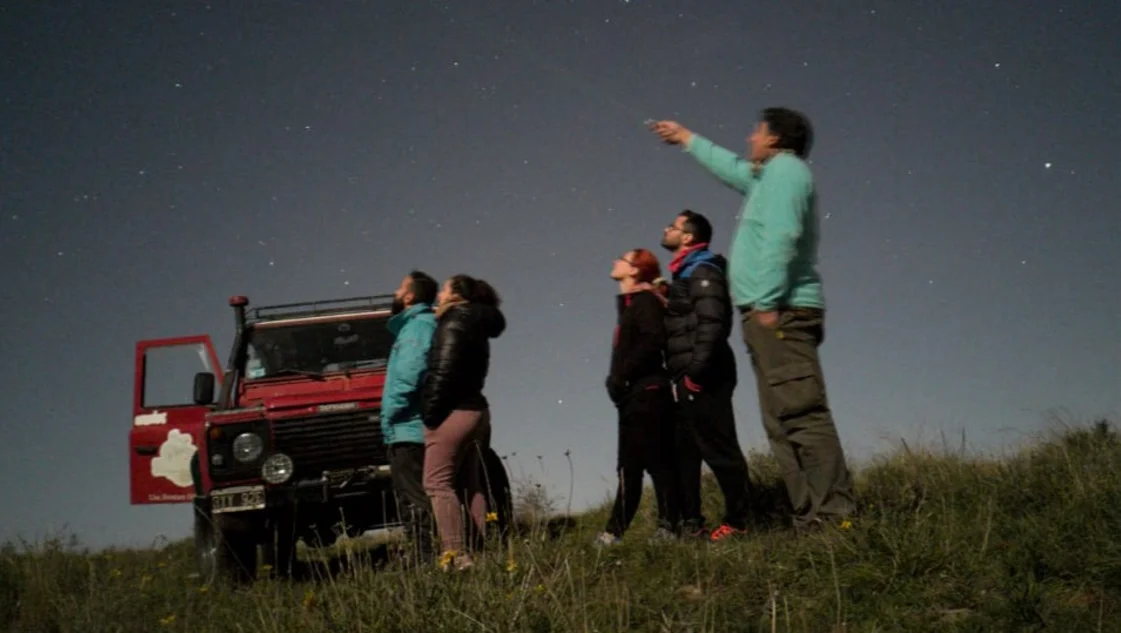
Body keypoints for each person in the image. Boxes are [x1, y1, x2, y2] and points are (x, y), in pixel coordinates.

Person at [649, 108, 857, 531]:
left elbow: (784, 233)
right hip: (766, 312)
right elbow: (731, 169)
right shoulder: (767, 178)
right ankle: (809, 518)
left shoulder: (787, 173)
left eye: (757, 132)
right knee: (780, 421)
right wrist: (688, 137)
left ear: (777, 140)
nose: (749, 138)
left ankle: (836, 518)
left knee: (800, 412)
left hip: (779, 310)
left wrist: (766, 298)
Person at [660, 210, 755, 541]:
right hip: (687, 376)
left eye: (672, 226)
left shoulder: (703, 270)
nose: (666, 229)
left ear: (687, 237)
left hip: (703, 374)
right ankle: (693, 524)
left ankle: (741, 521)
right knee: (688, 452)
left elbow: (713, 324)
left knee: (719, 449)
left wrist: (694, 373)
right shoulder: (686, 274)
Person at [595, 248, 681, 547]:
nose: (614, 260)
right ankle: (615, 532)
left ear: (635, 270)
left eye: (622, 258)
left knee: (655, 462)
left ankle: (666, 527)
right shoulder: (633, 304)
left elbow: (652, 340)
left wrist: (621, 376)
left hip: (648, 393)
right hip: (635, 394)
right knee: (631, 465)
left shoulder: (644, 301)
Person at [421, 274, 507, 571]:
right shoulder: (478, 322)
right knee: (471, 484)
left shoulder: (454, 320)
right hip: (477, 410)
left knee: (436, 484)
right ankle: (481, 553)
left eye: (444, 288)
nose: (440, 294)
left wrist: (430, 414)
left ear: (456, 293)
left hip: (453, 412)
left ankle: (455, 555)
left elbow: (443, 370)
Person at [381, 270, 439, 566]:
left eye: (400, 287)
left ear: (410, 296)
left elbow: (409, 374)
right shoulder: (416, 326)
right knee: (412, 496)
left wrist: (389, 414)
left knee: (414, 497)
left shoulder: (416, 327)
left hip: (408, 428)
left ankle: (425, 560)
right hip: (407, 427)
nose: (395, 291)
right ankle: (423, 555)